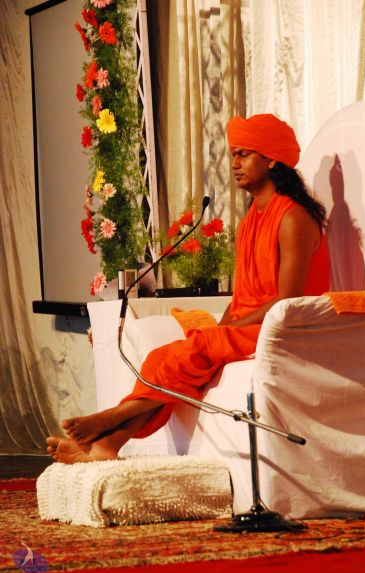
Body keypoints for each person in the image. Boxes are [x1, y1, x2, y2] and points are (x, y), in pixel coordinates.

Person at [47, 113, 330, 464]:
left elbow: (288, 301)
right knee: (167, 357)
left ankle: (111, 419)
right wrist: (221, 330)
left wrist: (226, 332)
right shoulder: (250, 222)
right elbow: (242, 297)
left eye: (244, 154)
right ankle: (109, 443)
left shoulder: (293, 218)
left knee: (186, 354)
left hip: (284, 328)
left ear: (272, 160)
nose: (234, 163)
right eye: (233, 154)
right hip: (250, 328)